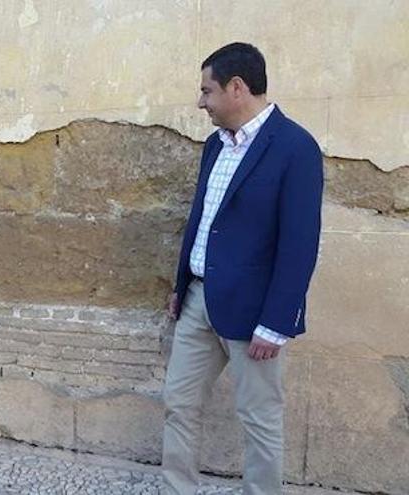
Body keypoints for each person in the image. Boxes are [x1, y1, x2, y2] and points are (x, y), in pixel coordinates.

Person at [162, 42, 323, 494]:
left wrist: (277, 322)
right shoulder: (215, 146)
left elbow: (299, 244)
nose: (201, 102)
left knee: (259, 419)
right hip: (198, 301)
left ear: (237, 88)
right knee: (178, 403)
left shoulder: (295, 148)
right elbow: (202, 220)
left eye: (206, 91)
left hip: (254, 314)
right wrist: (181, 285)